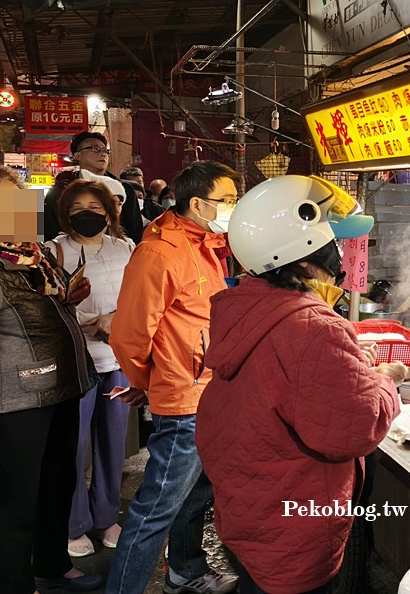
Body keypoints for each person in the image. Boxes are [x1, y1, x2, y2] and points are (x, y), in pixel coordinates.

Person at [196, 175, 402, 594]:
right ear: (304, 257)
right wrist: (387, 381)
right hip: (292, 520)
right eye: (334, 246)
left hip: (251, 505)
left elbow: (285, 380)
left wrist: (346, 362)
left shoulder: (246, 306)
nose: (340, 260)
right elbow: (354, 428)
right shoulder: (313, 327)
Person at [0, 166, 102, 593]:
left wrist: (68, 298)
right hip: (12, 405)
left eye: (22, 199)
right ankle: (16, 586)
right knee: (13, 505)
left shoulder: (36, 258)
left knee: (57, 486)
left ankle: (52, 566)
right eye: (7, 206)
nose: (22, 211)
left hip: (60, 390)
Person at [107, 160, 240, 594]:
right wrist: (147, 381)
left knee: (194, 496)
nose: (233, 207)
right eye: (227, 200)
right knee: (156, 508)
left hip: (208, 390)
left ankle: (185, 570)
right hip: (183, 398)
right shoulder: (159, 252)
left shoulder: (208, 244)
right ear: (197, 203)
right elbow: (129, 333)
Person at [50, 180, 136, 559]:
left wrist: (117, 319)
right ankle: (73, 523)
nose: (86, 214)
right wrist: (95, 321)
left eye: (95, 207)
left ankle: (106, 516)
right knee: (73, 445)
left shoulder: (126, 247)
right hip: (76, 362)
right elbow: (50, 304)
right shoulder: (53, 250)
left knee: (112, 443)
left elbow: (140, 296)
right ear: (64, 215)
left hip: (118, 359)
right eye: (76, 209)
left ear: (109, 211)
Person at [44, 132, 145, 243]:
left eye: (105, 150)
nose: (103, 154)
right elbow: (47, 231)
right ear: (78, 156)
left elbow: (135, 231)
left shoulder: (124, 190)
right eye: (95, 149)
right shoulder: (60, 191)